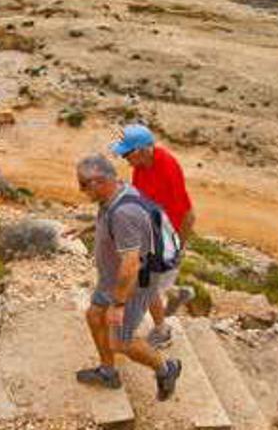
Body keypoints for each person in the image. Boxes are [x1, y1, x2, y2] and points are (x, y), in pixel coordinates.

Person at [74, 155, 182, 401]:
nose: (80, 190)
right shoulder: (117, 193)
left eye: (83, 184)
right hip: (111, 278)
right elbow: (117, 224)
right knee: (94, 316)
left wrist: (119, 304)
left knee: (122, 342)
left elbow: (131, 264)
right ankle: (107, 371)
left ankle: (166, 369)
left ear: (100, 181)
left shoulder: (125, 213)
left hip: (133, 283)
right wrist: (91, 227)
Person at [111, 124, 196, 347]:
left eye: (126, 153)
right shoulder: (141, 166)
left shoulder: (168, 168)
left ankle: (163, 331)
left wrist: (178, 248)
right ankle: (176, 294)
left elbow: (187, 214)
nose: (124, 158)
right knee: (148, 282)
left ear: (141, 151)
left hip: (167, 238)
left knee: (146, 286)